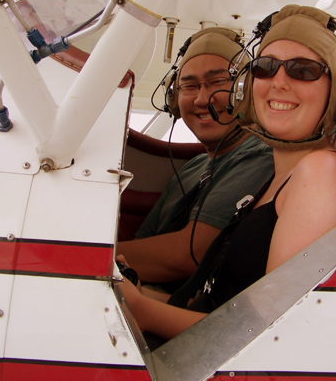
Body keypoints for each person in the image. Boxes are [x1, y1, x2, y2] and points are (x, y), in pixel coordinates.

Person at [119, 4, 336, 340]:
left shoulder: (321, 174)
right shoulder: (280, 178)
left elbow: (271, 337)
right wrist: (135, 293)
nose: (279, 82)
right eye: (265, 68)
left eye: (304, 70)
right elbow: (217, 309)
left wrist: (144, 311)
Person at [117, 27, 274, 286]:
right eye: (189, 86)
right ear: (174, 98)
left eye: (218, 82)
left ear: (246, 89)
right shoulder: (194, 167)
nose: (202, 99)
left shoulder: (260, 156)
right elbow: (141, 244)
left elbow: (187, 256)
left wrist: (83, 255)